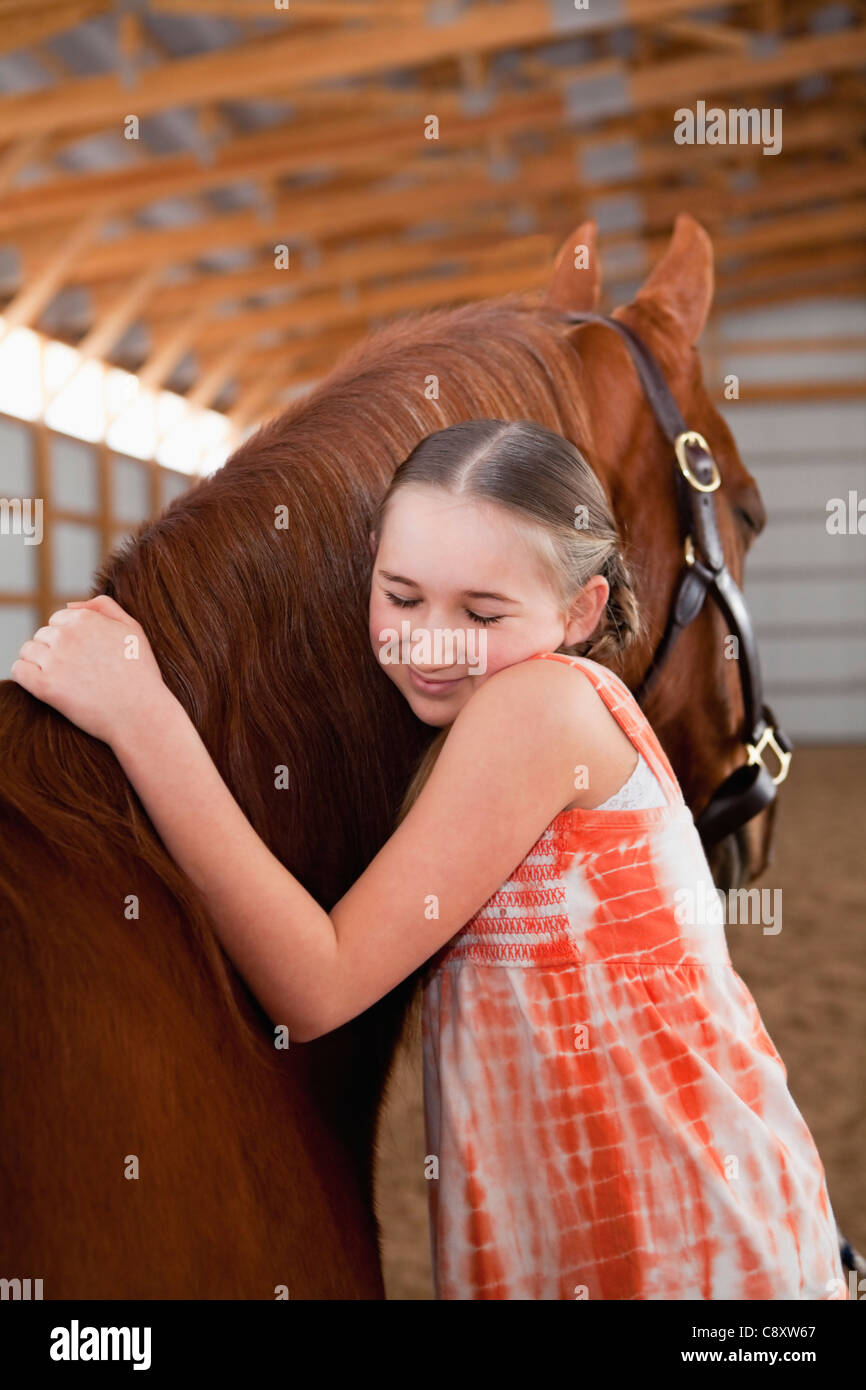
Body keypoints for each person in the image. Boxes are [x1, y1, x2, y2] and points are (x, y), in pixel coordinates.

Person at [11, 418, 846, 1301]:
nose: (429, 642)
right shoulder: (516, 709)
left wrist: (142, 714)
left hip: (689, 1247)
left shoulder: (539, 709)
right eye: (401, 596)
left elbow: (320, 984)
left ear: (580, 612)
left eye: (481, 613)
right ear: (371, 560)